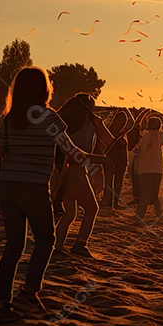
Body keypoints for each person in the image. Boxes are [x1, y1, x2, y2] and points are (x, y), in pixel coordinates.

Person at [0, 66, 108, 323]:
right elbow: (71, 152)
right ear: (44, 90)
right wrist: (100, 159)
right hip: (33, 186)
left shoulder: (10, 119)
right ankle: (29, 294)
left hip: (6, 187)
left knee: (13, 245)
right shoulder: (48, 118)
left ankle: (0, 304)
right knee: (45, 240)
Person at [53, 94, 114, 258]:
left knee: (69, 213)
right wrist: (100, 124)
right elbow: (110, 143)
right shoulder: (89, 123)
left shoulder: (61, 121)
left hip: (60, 171)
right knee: (92, 208)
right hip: (77, 171)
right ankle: (80, 244)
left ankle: (57, 245)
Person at [132, 115, 163, 221]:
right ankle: (159, 215)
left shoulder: (145, 137)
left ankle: (139, 216)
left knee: (145, 195)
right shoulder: (161, 137)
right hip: (158, 169)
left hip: (144, 169)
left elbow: (138, 149)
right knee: (154, 195)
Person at [102, 109, 132, 210]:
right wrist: (127, 110)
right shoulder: (120, 133)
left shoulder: (110, 131)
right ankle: (113, 203)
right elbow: (132, 123)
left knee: (110, 183)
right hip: (118, 162)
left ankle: (109, 202)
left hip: (111, 160)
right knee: (116, 184)